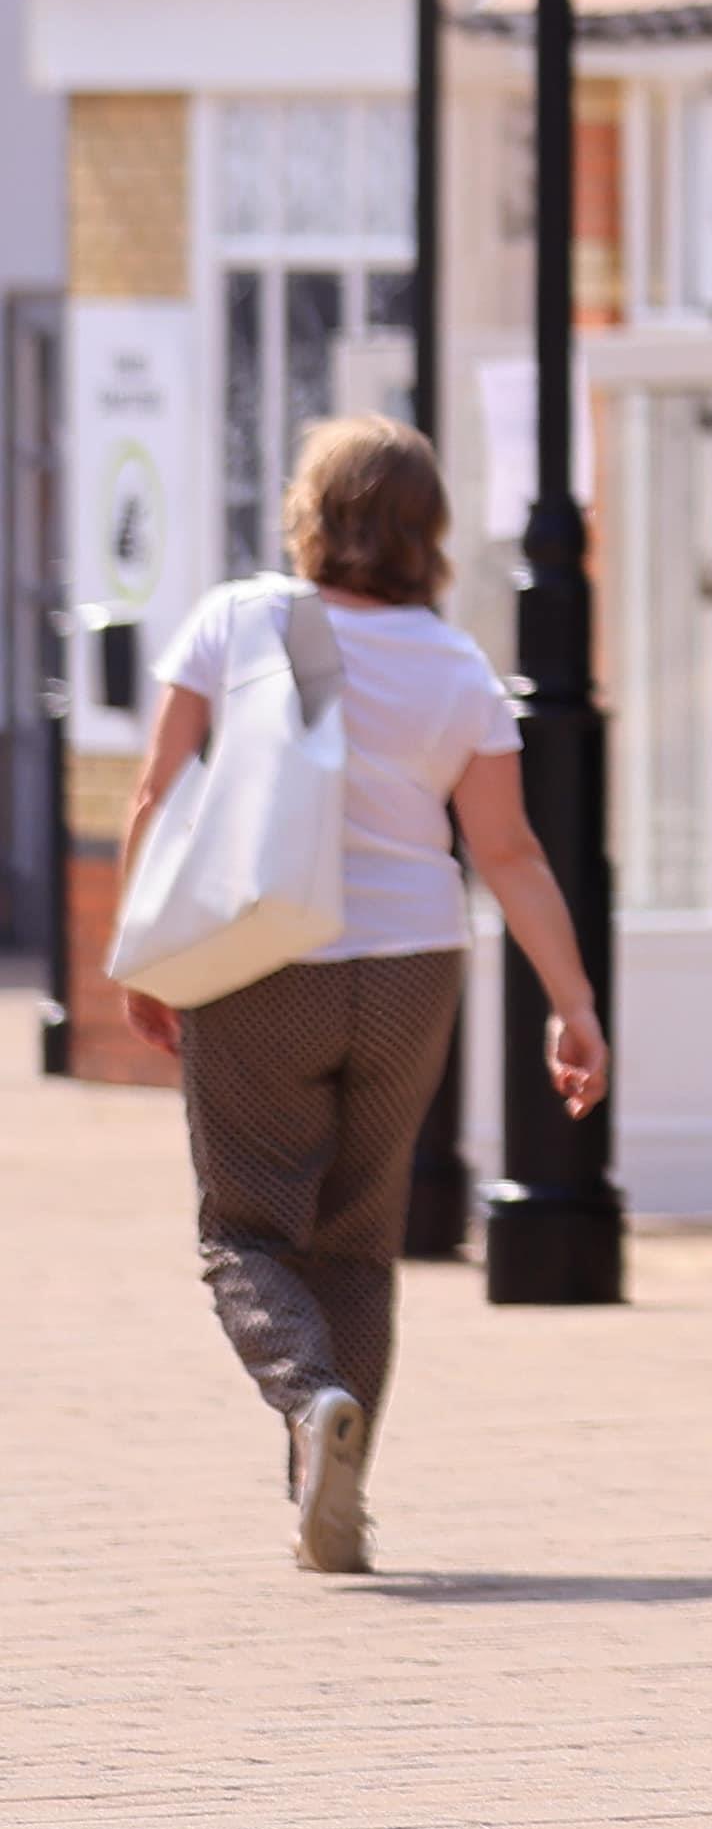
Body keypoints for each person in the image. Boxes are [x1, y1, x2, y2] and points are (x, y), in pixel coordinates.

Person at [112, 418, 609, 1576]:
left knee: (243, 1230)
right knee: (358, 1243)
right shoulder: (457, 666)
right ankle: (337, 1494)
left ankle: (310, 1400)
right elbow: (512, 851)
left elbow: (155, 791)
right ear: (426, 534)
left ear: (311, 512)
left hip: (262, 960)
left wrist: (141, 957)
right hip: (410, 970)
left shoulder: (240, 619)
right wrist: (572, 1003)